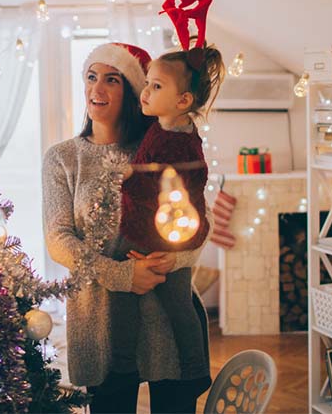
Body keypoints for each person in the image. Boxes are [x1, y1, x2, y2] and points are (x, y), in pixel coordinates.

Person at [42, 42, 212, 413]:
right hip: (98, 320)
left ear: (133, 91)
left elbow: (199, 218)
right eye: (91, 77)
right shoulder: (63, 157)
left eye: (112, 80)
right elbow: (58, 239)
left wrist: (174, 259)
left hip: (164, 317)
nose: (96, 89)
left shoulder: (161, 145)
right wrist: (121, 275)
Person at [112, 41, 225, 394]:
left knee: (162, 301)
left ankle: (162, 367)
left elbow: (166, 191)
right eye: (147, 83)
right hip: (157, 232)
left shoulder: (177, 143)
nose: (145, 92)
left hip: (155, 236)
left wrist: (126, 180)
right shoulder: (164, 127)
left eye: (156, 86)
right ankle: (178, 367)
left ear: (183, 101)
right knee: (173, 303)